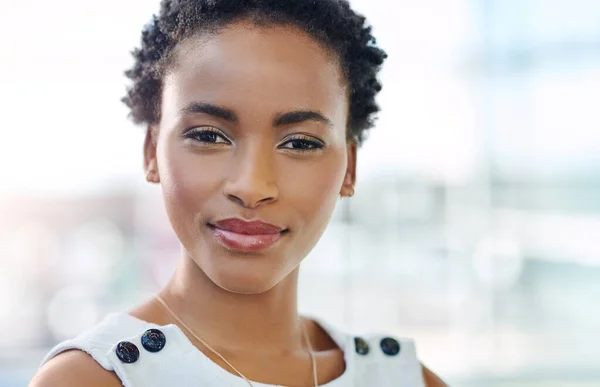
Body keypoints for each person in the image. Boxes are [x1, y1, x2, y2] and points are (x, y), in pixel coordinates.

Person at [30, 0, 447, 386]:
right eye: (209, 135)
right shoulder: (90, 379)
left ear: (349, 169)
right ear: (151, 152)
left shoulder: (407, 379)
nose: (251, 187)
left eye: (300, 143)